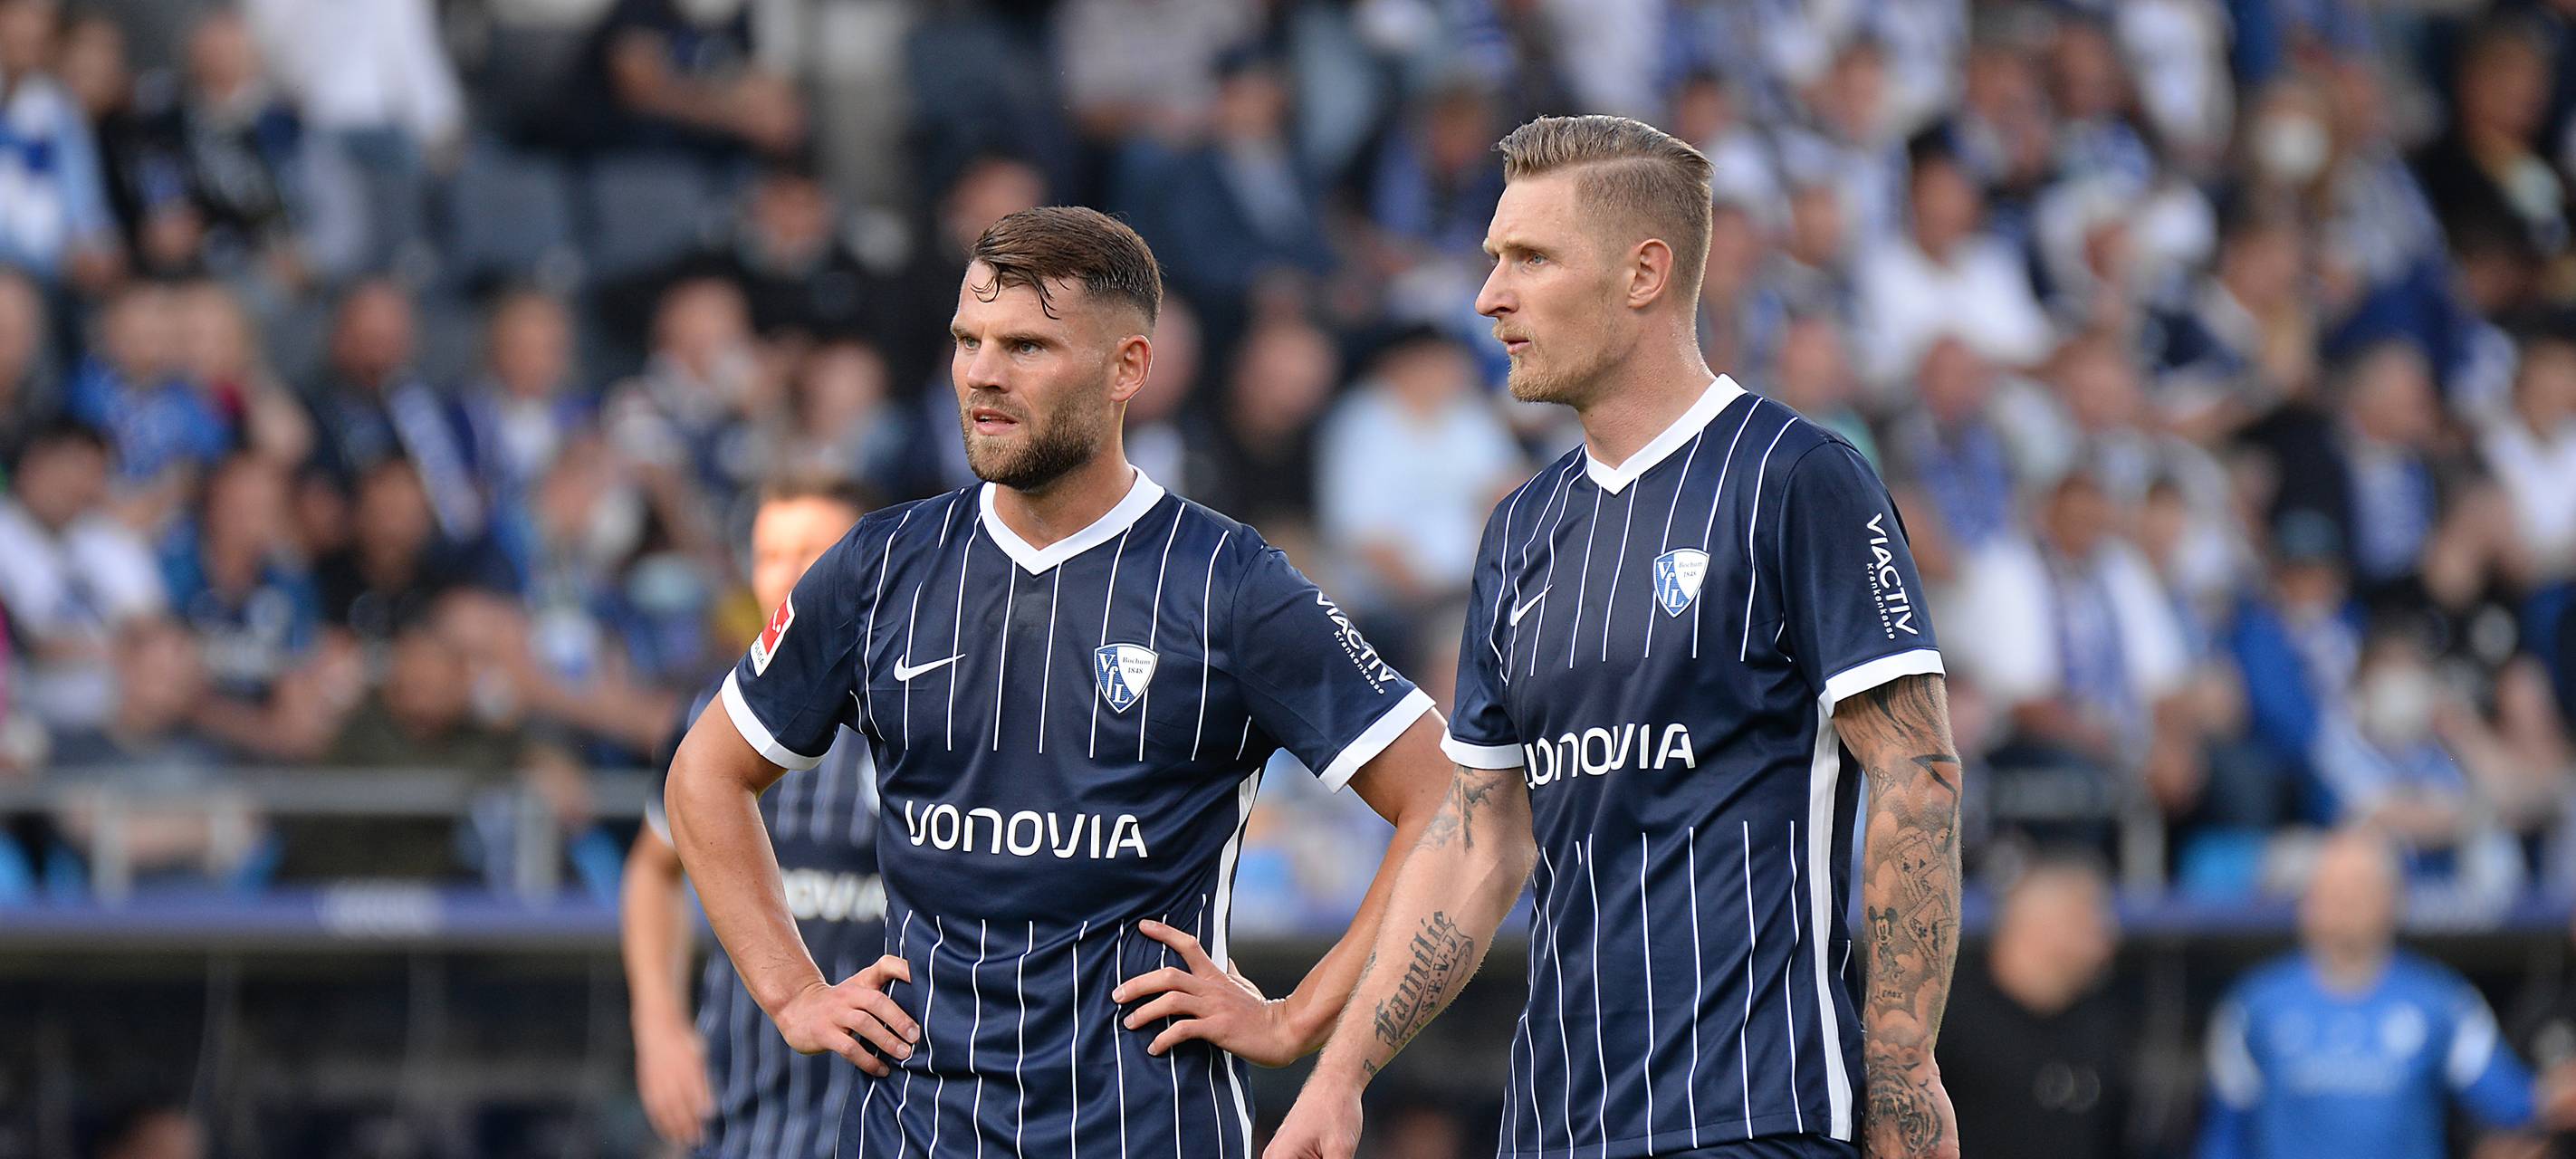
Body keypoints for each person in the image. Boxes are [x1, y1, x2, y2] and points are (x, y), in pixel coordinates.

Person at [662, 206, 1461, 1154]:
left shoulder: (1228, 582)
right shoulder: (878, 566)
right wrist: (791, 990)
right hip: (922, 1129)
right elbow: (703, 775)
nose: (982, 373)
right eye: (969, 340)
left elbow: (1451, 797)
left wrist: (1301, 1016)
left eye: (1027, 346)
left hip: (1148, 1129)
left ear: (1128, 368)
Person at [1268, 114, 1964, 1159]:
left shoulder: (1795, 478)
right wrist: (1341, 1073)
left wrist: (1903, 1072)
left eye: (1529, 258)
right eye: (1492, 257)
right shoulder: (1520, 528)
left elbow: (1917, 773)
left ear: (1644, 273)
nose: (1488, 295)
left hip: (1753, 1111)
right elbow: (1479, 837)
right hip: (1555, 1125)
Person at [625, 474, 881, 1156]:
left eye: (813, 554)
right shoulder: (715, 721)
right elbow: (653, 870)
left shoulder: (932, 715)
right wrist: (659, 1026)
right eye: (771, 556)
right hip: (746, 1114)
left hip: (899, 1113)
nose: (790, 575)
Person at [2197, 827, 2542, 1159]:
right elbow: (2224, 1136)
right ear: (2306, 902)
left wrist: (2547, 1102)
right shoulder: (2254, 1004)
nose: (2344, 904)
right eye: (2330, 890)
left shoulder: (2442, 1001)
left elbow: (2515, 1103)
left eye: (2360, 889)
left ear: (2393, 899)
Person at [1936, 856, 2130, 1159]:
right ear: (2037, 925)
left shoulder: (2100, 1028)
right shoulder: (1950, 1018)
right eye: (2085, 918)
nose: (2107, 936)